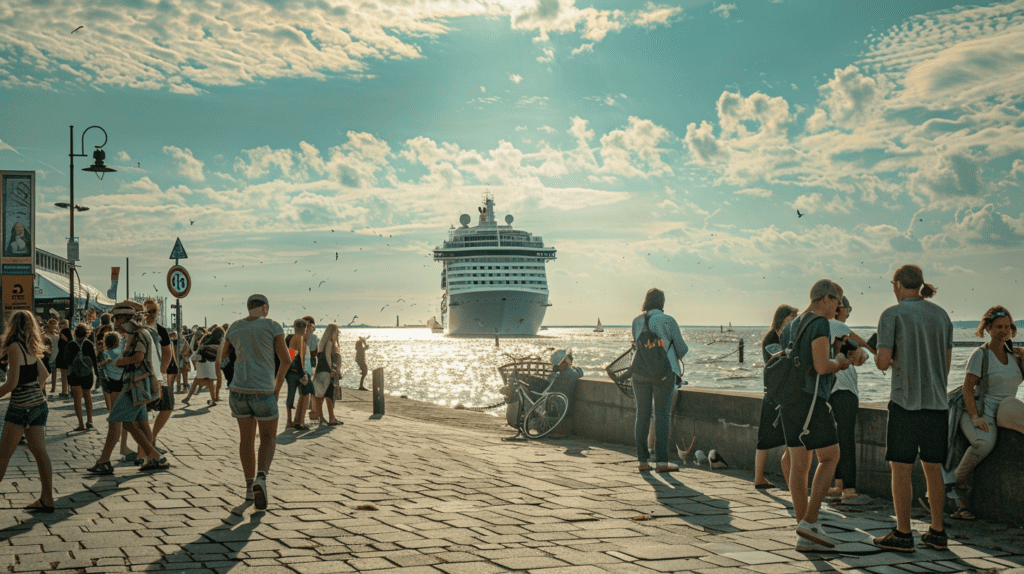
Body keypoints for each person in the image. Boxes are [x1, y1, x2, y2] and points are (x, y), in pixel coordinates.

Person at [873, 265, 952, 553]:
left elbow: (882, 361)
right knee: (934, 469)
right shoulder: (941, 315)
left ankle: (903, 533)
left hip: (906, 401)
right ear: (920, 285)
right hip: (937, 404)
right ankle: (937, 531)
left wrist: (888, 359)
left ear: (896, 285)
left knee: (901, 469)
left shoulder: (892, 315)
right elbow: (945, 363)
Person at [779, 279, 850, 551]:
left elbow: (805, 360)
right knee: (831, 456)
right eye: (838, 301)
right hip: (811, 402)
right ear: (825, 298)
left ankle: (804, 531)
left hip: (789, 401)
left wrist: (835, 354)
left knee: (799, 464)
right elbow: (821, 367)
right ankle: (809, 521)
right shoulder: (820, 323)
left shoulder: (790, 326)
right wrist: (841, 363)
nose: (839, 307)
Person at [942, 306, 1024, 521]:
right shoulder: (981, 355)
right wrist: (976, 417)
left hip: (1005, 411)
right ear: (988, 328)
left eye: (1007, 327)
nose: (1003, 330)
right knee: (983, 443)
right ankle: (956, 480)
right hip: (979, 411)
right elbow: (968, 389)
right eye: (998, 327)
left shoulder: (1015, 356)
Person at [221, 293, 291, 510]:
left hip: (239, 391)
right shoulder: (273, 325)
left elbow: (223, 358)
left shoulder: (234, 327)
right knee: (268, 437)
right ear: (265, 308)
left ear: (248, 307)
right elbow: (286, 359)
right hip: (263, 391)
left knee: (246, 440)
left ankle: (249, 488)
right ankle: (261, 477)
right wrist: (277, 388)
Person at [85, 300, 168, 475]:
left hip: (136, 385)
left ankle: (105, 462)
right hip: (136, 384)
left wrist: (120, 362)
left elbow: (138, 357)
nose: (114, 323)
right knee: (133, 424)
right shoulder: (135, 333)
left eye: (116, 319)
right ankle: (153, 456)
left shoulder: (138, 334)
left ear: (124, 318)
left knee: (116, 418)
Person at [0, 310, 54, 512]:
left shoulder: (15, 347)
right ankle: (47, 499)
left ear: (13, 325)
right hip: (39, 406)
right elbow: (44, 374)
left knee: (3, 455)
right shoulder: (31, 347)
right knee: (40, 453)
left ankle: (46, 499)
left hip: (20, 408)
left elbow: (12, 383)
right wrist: (34, 392)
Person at [630, 288, 689, 473]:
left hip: (639, 372)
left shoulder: (637, 320)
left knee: (642, 414)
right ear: (662, 303)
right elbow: (682, 349)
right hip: (664, 373)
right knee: (662, 415)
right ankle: (662, 463)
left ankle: (642, 461)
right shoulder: (667, 320)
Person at [827, 296, 870, 504]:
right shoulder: (837, 326)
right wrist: (879, 353)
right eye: (847, 307)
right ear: (838, 308)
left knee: (836, 439)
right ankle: (850, 489)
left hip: (829, 389)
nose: (849, 312)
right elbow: (863, 350)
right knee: (846, 439)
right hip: (844, 390)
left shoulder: (828, 330)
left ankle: (838, 485)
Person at [753, 304, 798, 490]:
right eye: (792, 316)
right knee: (765, 439)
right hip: (773, 393)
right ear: (782, 318)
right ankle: (758, 477)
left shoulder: (787, 336)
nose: (795, 319)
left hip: (782, 392)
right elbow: (778, 361)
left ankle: (790, 483)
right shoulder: (772, 338)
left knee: (788, 442)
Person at [139, 298, 174, 458]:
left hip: (158, 376)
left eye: (153, 311)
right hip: (141, 376)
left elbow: (167, 352)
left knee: (167, 406)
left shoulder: (161, 330)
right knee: (143, 412)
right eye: (147, 311)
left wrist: (162, 371)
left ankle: (151, 439)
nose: (150, 314)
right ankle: (144, 448)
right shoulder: (138, 329)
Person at [65, 323, 99, 431]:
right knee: (87, 396)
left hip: (74, 375)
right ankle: (90, 420)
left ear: (74, 332)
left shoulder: (71, 344)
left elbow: (66, 360)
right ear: (86, 333)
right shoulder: (89, 344)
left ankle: (80, 424)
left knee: (77, 399)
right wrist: (97, 374)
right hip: (87, 375)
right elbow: (94, 360)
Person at [311, 323, 343, 426]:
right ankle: (332, 418)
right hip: (327, 372)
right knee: (329, 396)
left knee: (320, 396)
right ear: (333, 332)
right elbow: (328, 358)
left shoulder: (321, 343)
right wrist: (332, 370)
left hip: (319, 371)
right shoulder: (329, 343)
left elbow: (319, 358)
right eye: (337, 332)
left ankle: (321, 418)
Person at [183, 327, 223, 406]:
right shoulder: (219, 341)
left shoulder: (206, 337)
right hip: (211, 362)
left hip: (201, 361)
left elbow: (199, 346)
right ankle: (213, 399)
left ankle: (188, 398)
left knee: (197, 379)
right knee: (210, 380)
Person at [55, 319, 71, 398]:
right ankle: (69, 391)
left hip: (63, 356)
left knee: (64, 375)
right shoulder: (68, 331)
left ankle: (64, 391)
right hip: (68, 355)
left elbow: (66, 341)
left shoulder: (64, 331)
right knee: (68, 375)